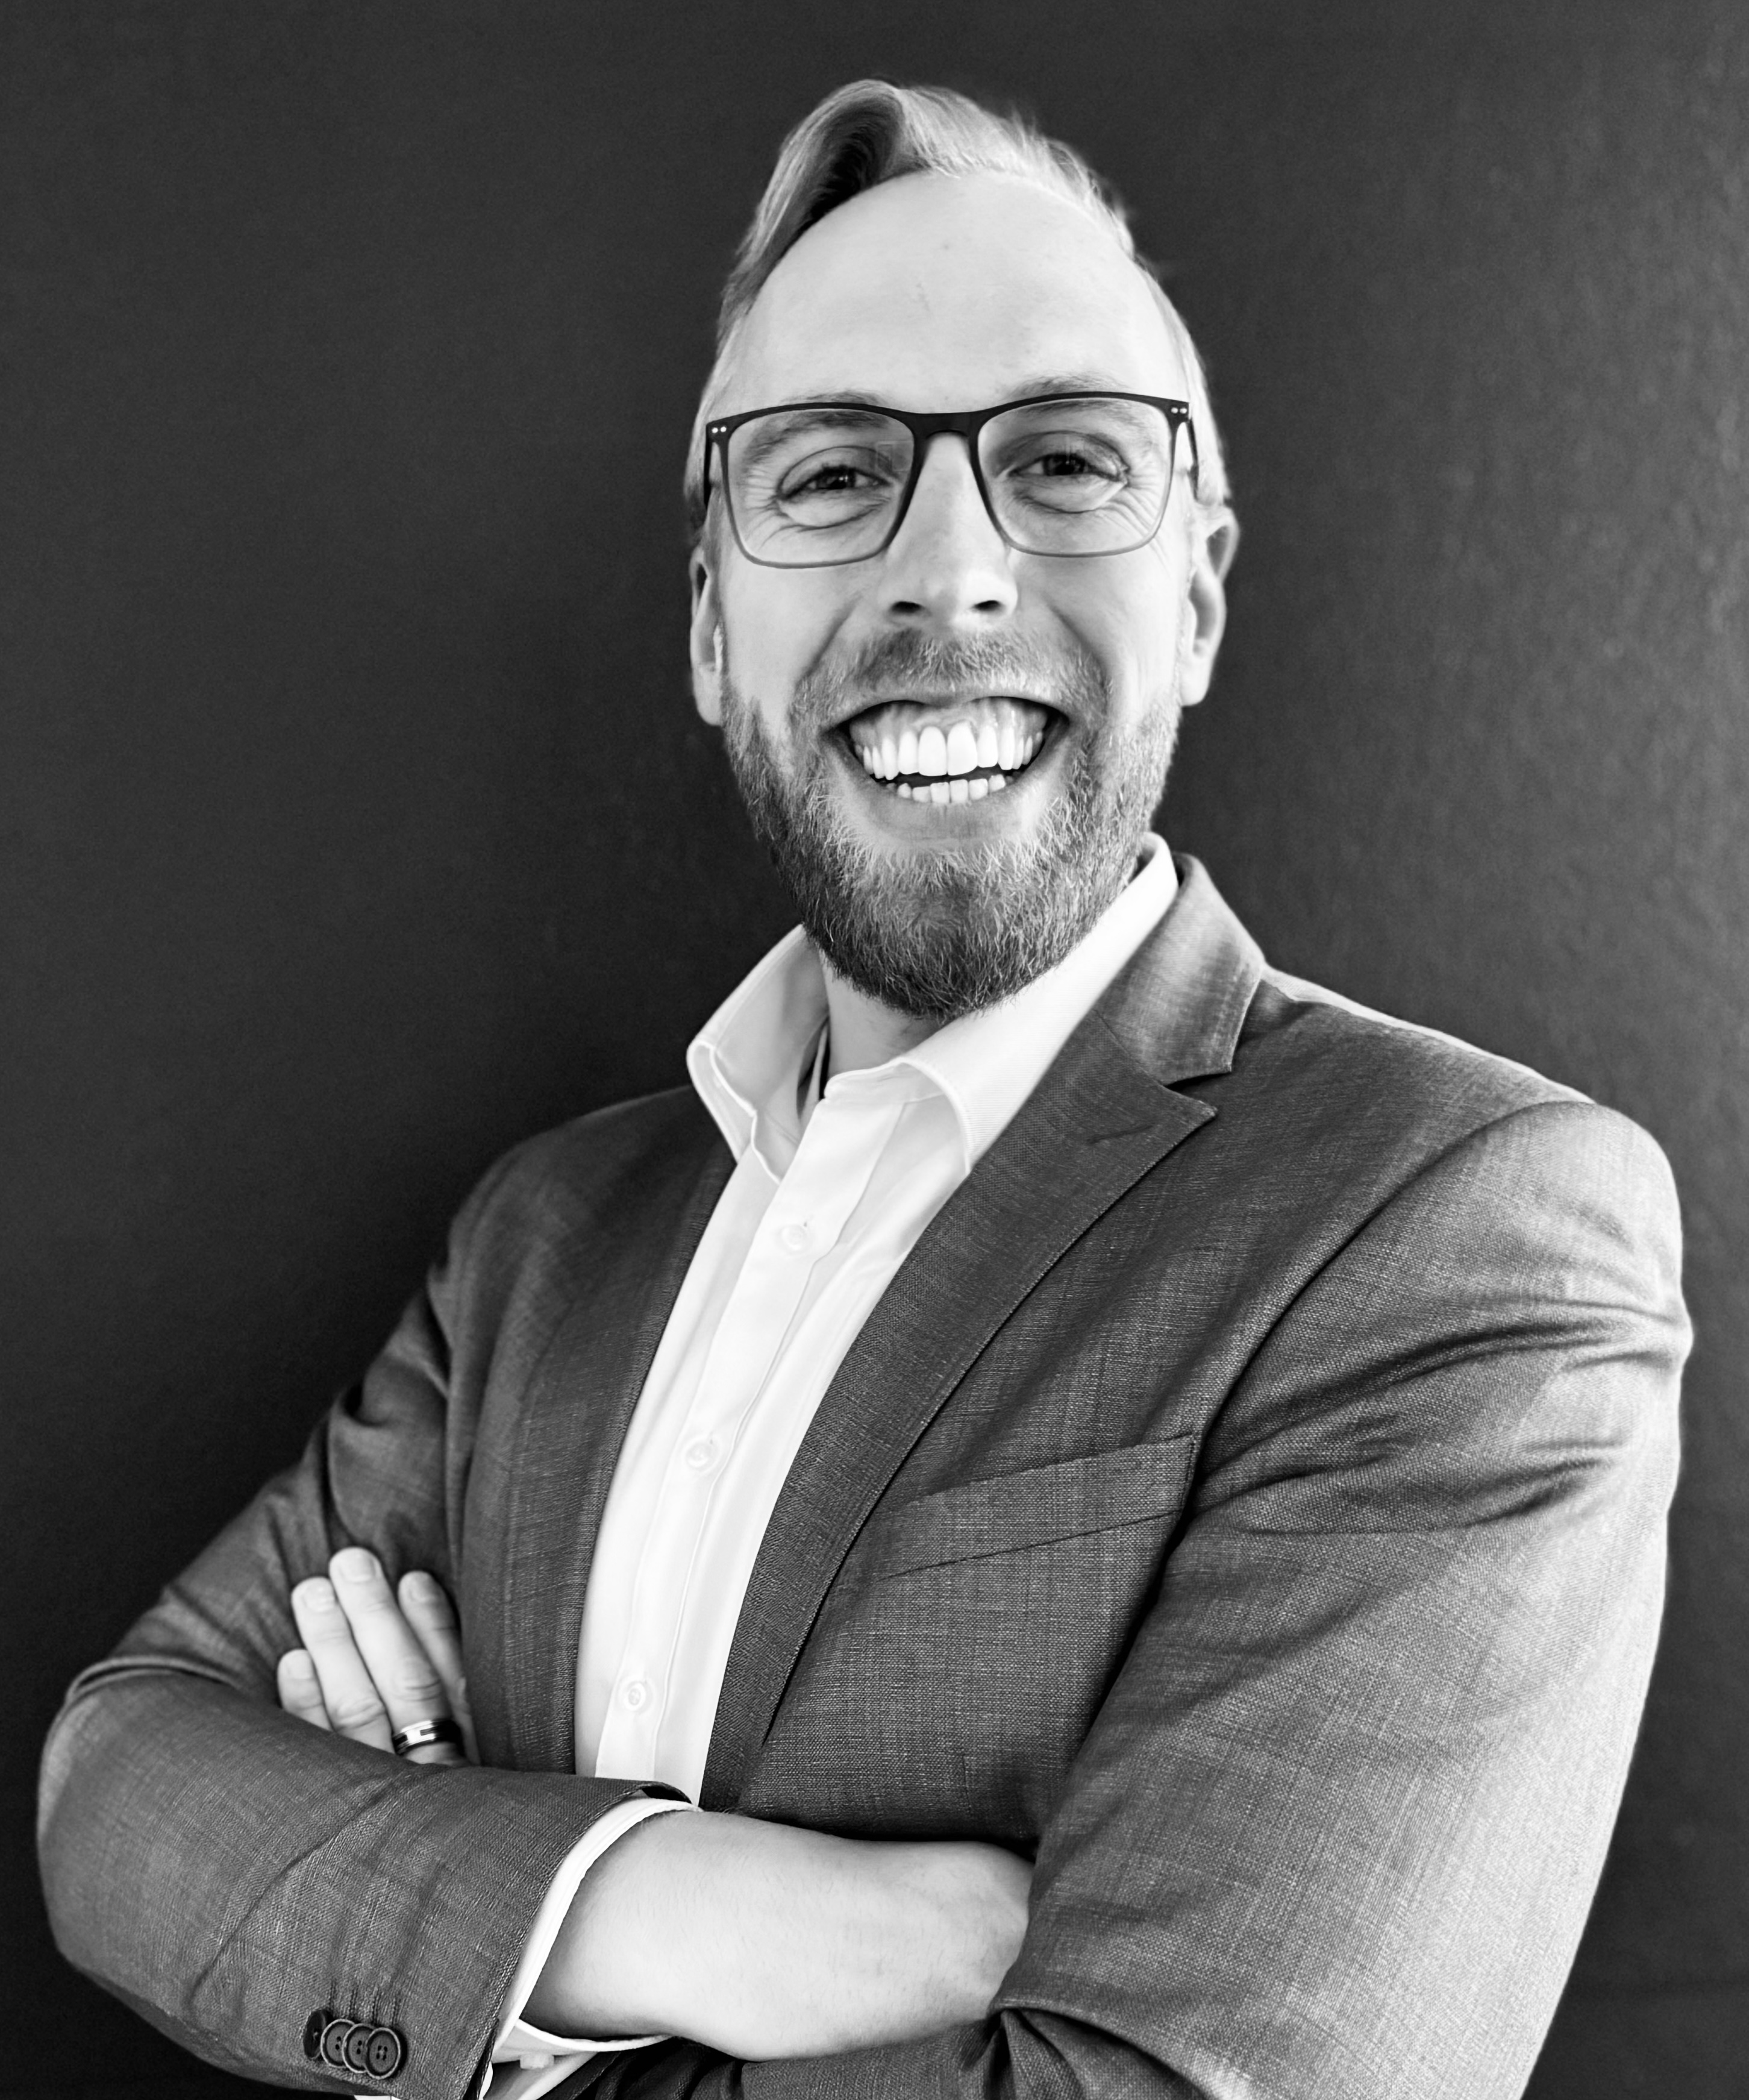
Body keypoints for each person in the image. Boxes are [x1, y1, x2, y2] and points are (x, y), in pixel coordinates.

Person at [38, 78, 1688, 2100]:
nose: (952, 578)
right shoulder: (545, 1239)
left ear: (1197, 594)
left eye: (1065, 460)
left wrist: (442, 1915)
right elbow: (120, 1775)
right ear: (712, 628)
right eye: (831, 476)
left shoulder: (1458, 1230)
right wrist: (655, 1910)